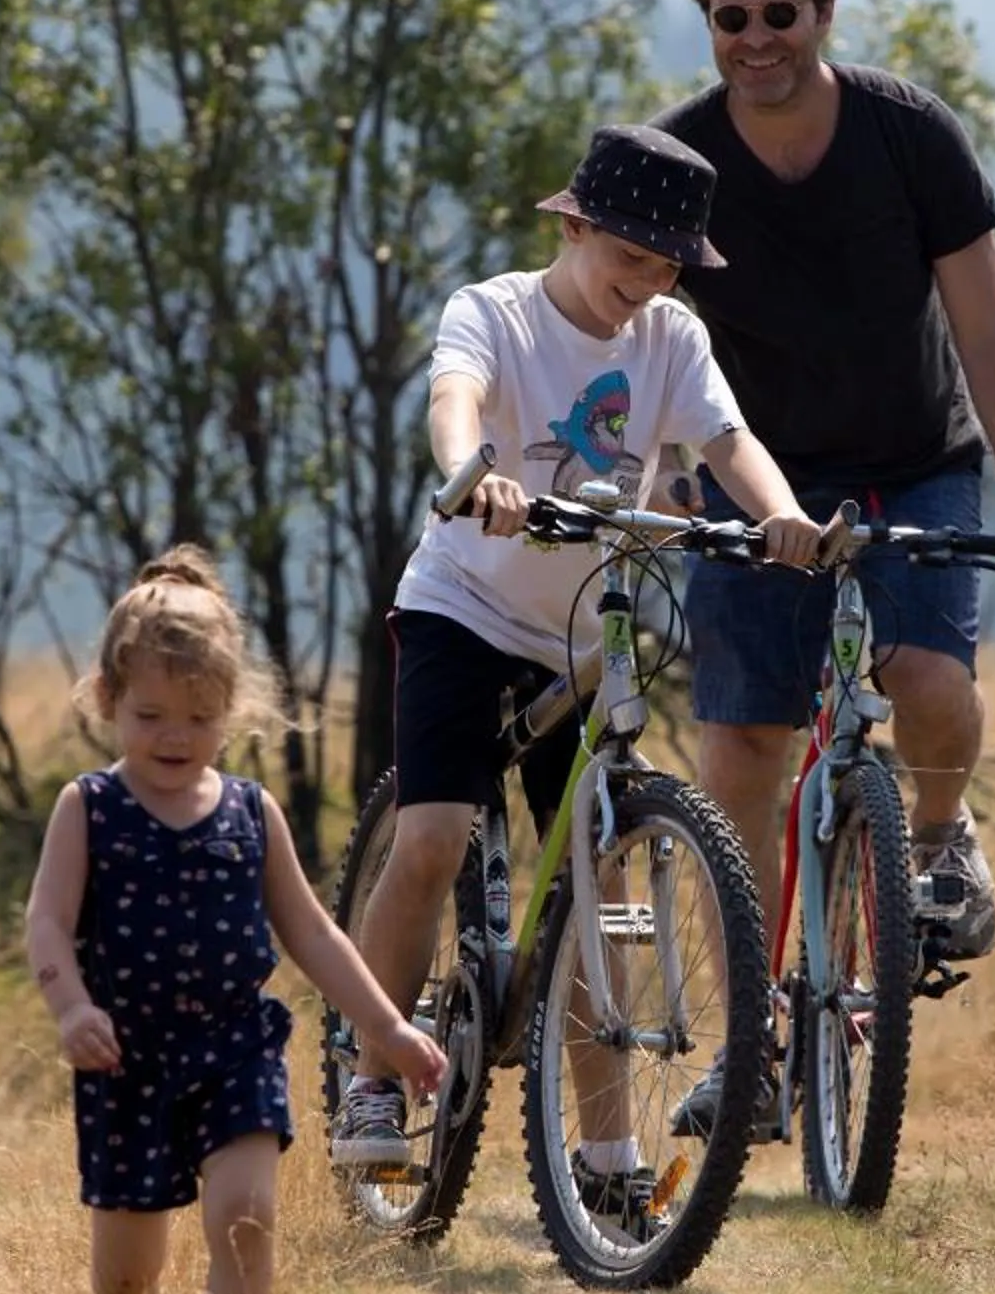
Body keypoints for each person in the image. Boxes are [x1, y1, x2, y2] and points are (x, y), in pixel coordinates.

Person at [652, 0, 995, 1139]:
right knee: (741, 747)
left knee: (927, 679)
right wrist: (672, 468)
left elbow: (985, 322)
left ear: (824, 11)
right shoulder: (683, 161)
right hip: (757, 484)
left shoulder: (910, 135)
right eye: (731, 16)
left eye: (780, 12)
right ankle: (759, 1047)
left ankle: (941, 839)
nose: (756, 37)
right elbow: (639, 327)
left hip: (915, 462)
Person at [329, 123, 824, 1214]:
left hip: (584, 636)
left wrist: (780, 514)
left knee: (601, 889)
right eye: (630, 259)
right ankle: (372, 1076)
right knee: (431, 837)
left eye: (666, 268)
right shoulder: (494, 311)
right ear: (574, 224)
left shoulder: (670, 339)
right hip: (464, 606)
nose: (644, 287)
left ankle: (605, 1163)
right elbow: (452, 399)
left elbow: (727, 440)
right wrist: (473, 472)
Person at [25, 548, 447, 1294]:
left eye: (200, 716)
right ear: (106, 700)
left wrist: (389, 1032)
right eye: (150, 715)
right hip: (126, 1064)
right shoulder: (88, 809)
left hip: (232, 1050)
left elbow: (316, 936)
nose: (175, 736)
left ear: (233, 711)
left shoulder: (252, 813)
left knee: (248, 1219)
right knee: (127, 1272)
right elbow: (46, 926)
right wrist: (71, 1006)